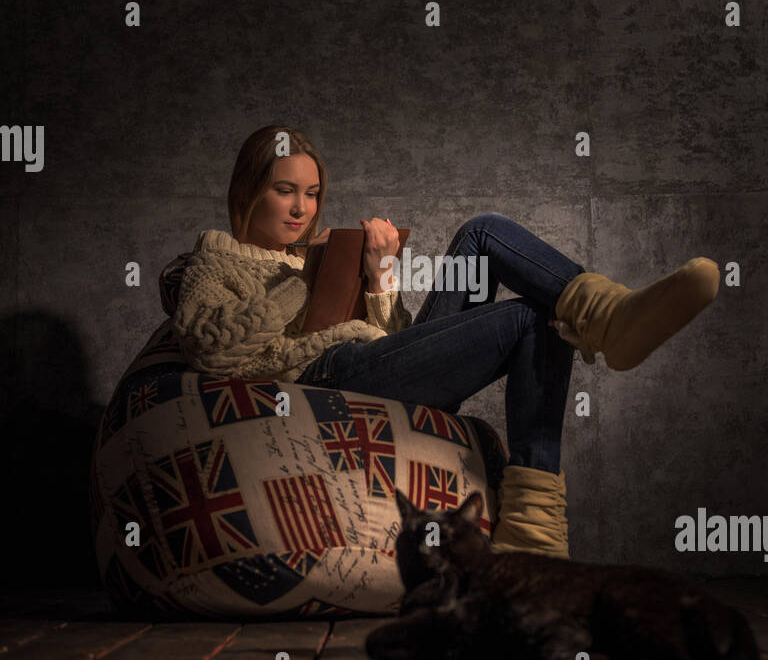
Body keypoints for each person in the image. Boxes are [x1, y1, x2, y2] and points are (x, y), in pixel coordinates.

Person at [169, 124, 719, 561]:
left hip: (374, 370)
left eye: (312, 194)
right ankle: (535, 533)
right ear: (248, 190)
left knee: (483, 231)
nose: (302, 208)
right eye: (284, 190)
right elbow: (210, 350)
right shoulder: (212, 262)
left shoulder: (317, 254)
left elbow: (391, 342)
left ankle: (606, 311)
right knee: (532, 318)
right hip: (323, 383)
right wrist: (300, 285)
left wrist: (381, 274)